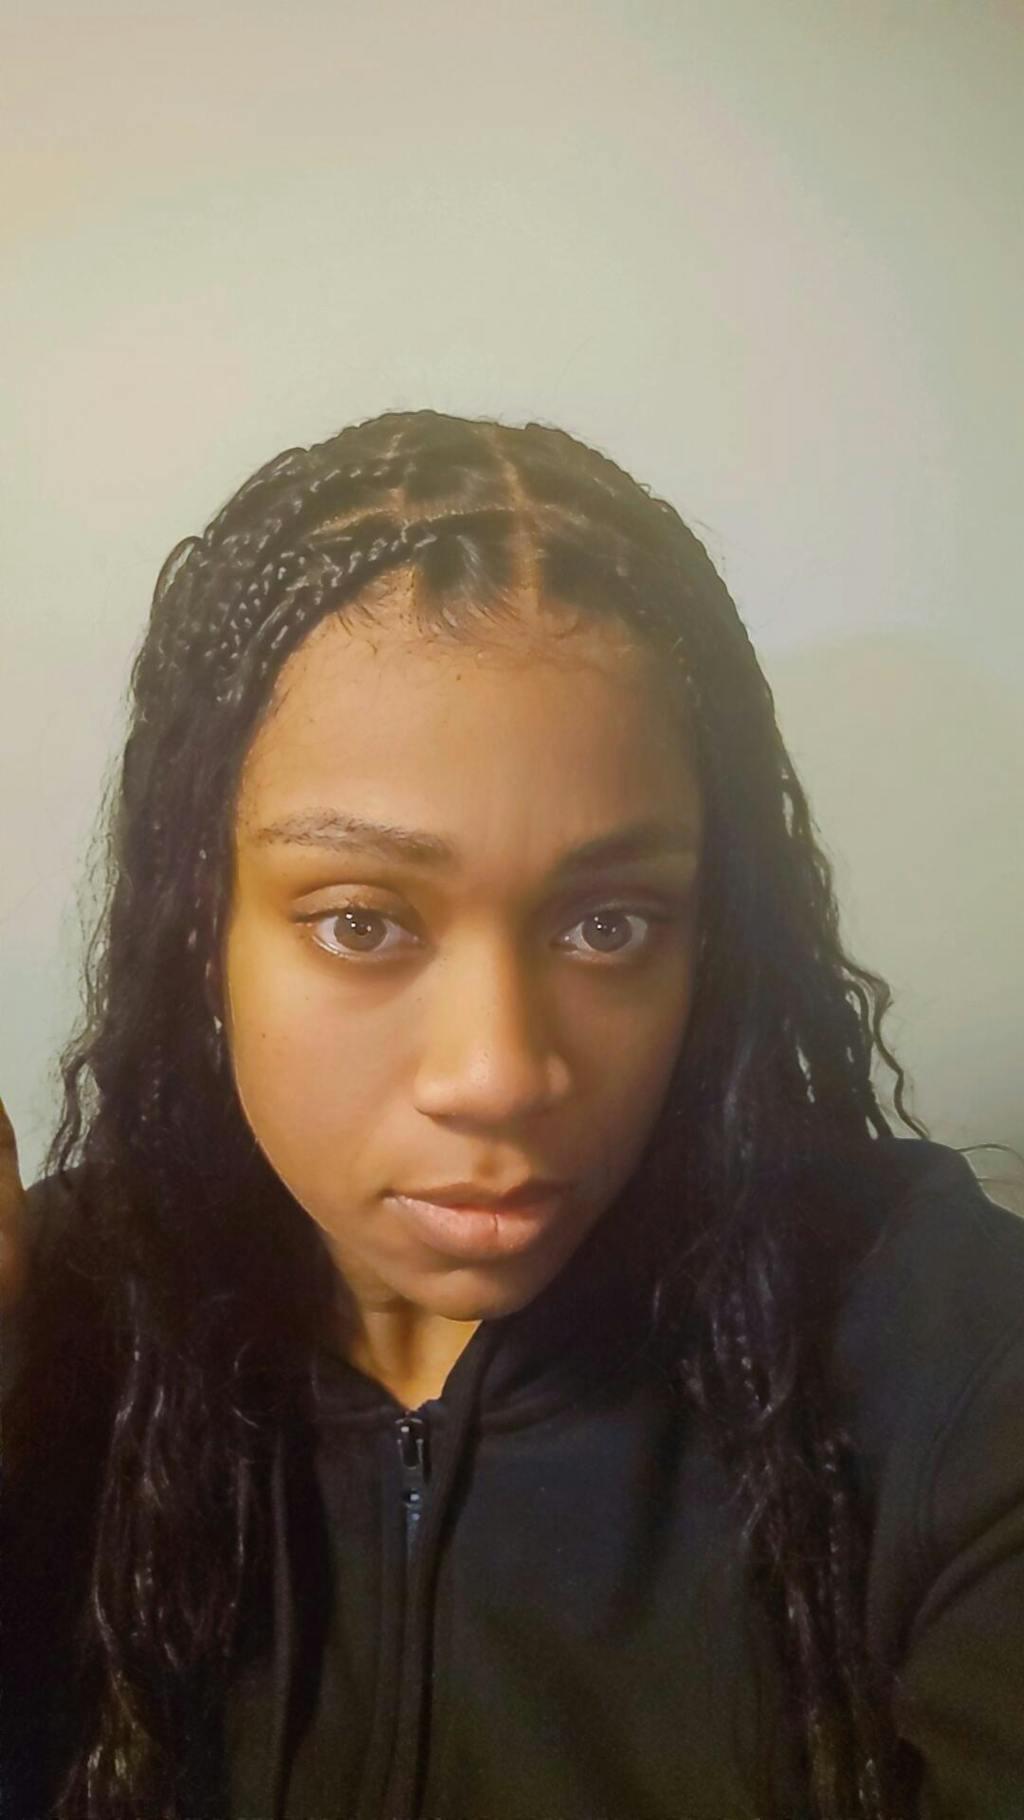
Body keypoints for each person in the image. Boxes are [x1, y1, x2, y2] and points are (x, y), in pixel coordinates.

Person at [2, 409, 1022, 1820]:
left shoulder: (941, 1357)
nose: (498, 1075)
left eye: (609, 924)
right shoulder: (52, 1340)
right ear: (202, 933)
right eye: (362, 921)